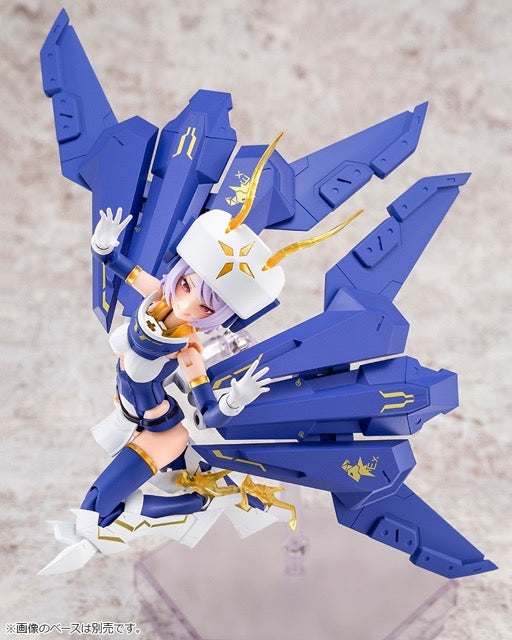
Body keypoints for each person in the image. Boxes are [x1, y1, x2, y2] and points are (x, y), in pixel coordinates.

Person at [81, 206, 273, 527]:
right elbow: (117, 264)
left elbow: (208, 413)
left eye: (205, 306)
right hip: (125, 417)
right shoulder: (156, 297)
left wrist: (235, 400)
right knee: (98, 512)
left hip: (159, 432)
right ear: (179, 275)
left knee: (95, 509)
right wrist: (103, 244)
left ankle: (200, 503)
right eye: (186, 286)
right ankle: (209, 497)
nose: (186, 305)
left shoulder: (188, 348)